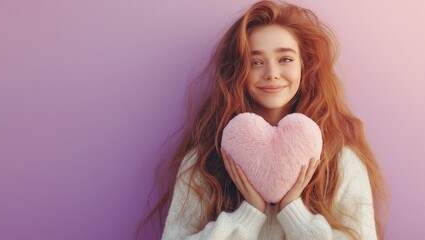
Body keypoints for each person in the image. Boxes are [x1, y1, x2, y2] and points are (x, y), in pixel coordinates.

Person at [139, 0, 387, 239]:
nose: (271, 73)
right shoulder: (203, 163)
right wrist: (248, 214)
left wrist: (293, 212)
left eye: (285, 59)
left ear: (305, 66)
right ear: (238, 71)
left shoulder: (343, 163)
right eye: (255, 62)